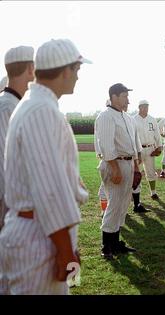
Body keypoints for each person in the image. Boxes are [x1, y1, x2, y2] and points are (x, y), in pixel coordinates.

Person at [0, 39, 90, 294]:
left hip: (39, 232)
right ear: (64, 70)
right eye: (76, 70)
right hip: (39, 236)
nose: (77, 77)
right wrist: (65, 250)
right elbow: (48, 188)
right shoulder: (41, 110)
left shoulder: (34, 105)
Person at [94, 83, 142, 259]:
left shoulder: (127, 117)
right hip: (115, 164)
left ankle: (116, 242)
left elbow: (133, 146)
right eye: (124, 95)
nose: (127, 99)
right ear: (114, 96)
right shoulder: (106, 116)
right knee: (114, 204)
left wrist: (136, 167)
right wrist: (115, 169)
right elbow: (106, 147)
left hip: (127, 163)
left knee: (122, 205)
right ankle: (106, 246)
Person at [0, 45, 35, 231]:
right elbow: (5, 161)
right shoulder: (7, 106)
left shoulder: (15, 104)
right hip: (9, 202)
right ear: (30, 69)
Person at [132, 99, 162, 205]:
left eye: (147, 106)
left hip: (150, 149)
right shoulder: (133, 119)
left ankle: (153, 192)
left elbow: (157, 134)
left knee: (151, 171)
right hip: (138, 150)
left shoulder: (152, 119)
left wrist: (159, 147)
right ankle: (134, 194)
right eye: (143, 106)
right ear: (139, 107)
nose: (145, 108)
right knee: (136, 173)